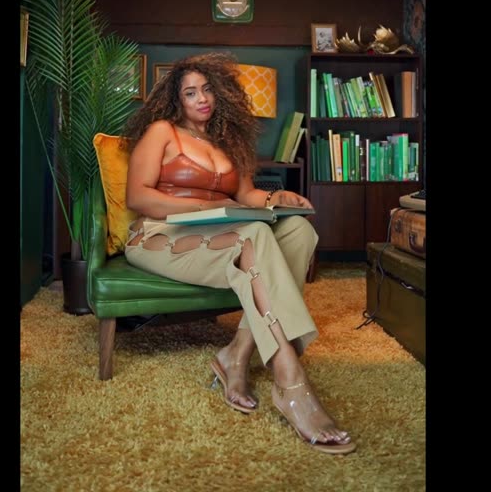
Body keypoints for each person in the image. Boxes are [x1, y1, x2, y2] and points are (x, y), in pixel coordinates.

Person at [120, 52, 356, 455]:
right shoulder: (163, 131)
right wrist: (201, 209)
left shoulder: (229, 139)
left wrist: (274, 196)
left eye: (208, 89)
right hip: (160, 235)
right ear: (178, 101)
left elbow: (245, 195)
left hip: (219, 230)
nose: (201, 99)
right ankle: (289, 378)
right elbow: (137, 196)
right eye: (190, 92)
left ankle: (236, 355)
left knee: (297, 230)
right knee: (253, 235)